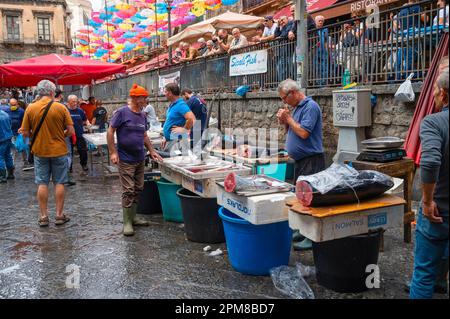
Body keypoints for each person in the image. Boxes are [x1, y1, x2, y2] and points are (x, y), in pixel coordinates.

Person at [410, 68, 449, 299]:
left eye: (434, 89)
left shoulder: (433, 122)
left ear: (443, 94)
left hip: (438, 210)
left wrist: (427, 200)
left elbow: (431, 160)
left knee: (423, 272)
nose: (433, 94)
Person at [107, 84, 163, 236]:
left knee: (138, 187)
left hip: (139, 157)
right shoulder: (122, 112)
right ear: (135, 98)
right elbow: (111, 131)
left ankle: (134, 217)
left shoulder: (142, 115)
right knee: (128, 189)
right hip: (125, 158)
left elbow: (144, 135)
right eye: (143, 98)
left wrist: (151, 151)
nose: (145, 100)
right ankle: (127, 222)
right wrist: (113, 152)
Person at [277, 79, 325, 251]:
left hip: (312, 159)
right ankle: (303, 230)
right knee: (301, 198)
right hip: (301, 160)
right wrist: (285, 122)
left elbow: (304, 132)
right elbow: (292, 131)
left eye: (284, 98)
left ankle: (311, 237)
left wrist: (288, 118)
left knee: (310, 199)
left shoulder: (310, 107)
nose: (284, 102)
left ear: (293, 93)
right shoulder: (297, 108)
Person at [19, 80, 75, 227]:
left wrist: (36, 136)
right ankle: (59, 215)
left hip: (40, 151)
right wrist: (59, 135)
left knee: (42, 183)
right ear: (52, 92)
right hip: (59, 151)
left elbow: (24, 132)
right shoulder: (61, 108)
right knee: (60, 182)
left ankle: (43, 216)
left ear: (38, 92)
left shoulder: (30, 108)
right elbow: (71, 131)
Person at [162, 83, 196, 153]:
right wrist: (166, 137)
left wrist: (184, 129)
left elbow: (192, 119)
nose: (164, 94)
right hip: (171, 140)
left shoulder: (180, 104)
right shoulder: (172, 105)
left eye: (165, 92)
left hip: (176, 142)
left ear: (170, 93)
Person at [67, 95, 89, 173]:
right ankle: (69, 167)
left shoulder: (80, 111)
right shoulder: (65, 110)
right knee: (69, 152)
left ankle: (84, 164)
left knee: (83, 151)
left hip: (79, 134)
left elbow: (85, 120)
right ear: (68, 102)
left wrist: (88, 124)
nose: (75, 103)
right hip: (68, 135)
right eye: (73, 101)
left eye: (76, 101)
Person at [5, 98, 28, 172]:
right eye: (12, 105)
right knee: (13, 149)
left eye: (14, 105)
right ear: (9, 104)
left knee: (23, 148)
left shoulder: (21, 111)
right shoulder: (7, 111)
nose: (13, 106)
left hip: (20, 133)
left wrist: (22, 129)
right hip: (11, 133)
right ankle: (12, 165)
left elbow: (25, 121)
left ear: (17, 104)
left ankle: (25, 162)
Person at [314, 15, 329, 87]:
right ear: (315, 22)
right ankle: (318, 83)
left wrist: (327, 51)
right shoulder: (313, 29)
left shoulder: (325, 30)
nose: (321, 22)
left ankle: (324, 83)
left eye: (322, 21)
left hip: (323, 51)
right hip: (315, 51)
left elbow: (326, 41)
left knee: (324, 67)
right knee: (317, 67)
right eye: (319, 21)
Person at [0, 108, 14, 183]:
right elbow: (10, 124)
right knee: (8, 155)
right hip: (8, 137)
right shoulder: (5, 114)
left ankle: (2, 177)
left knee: (0, 157)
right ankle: (11, 174)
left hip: (1, 139)